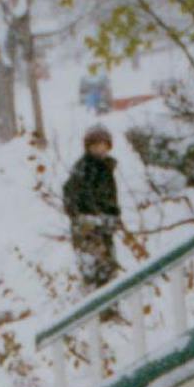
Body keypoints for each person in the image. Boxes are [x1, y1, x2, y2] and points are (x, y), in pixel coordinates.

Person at [62, 124, 122, 289]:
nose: (100, 149)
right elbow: (70, 199)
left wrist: (114, 217)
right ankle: (99, 310)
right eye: (95, 145)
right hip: (88, 233)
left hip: (105, 230)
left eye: (103, 144)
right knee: (93, 274)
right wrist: (86, 220)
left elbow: (110, 200)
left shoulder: (106, 168)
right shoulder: (83, 169)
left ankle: (111, 310)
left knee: (109, 272)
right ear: (88, 147)